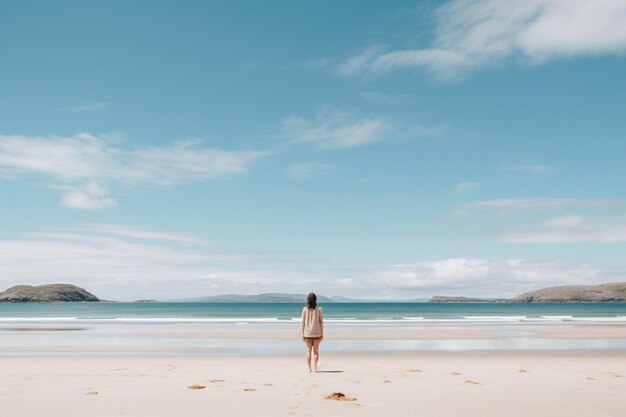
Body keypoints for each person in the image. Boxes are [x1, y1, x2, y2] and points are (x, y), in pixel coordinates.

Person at [301, 292, 324, 373]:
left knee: (308, 351)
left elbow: (302, 322)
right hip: (317, 333)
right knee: (316, 351)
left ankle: (309, 369)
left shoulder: (304, 309)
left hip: (307, 333)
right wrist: (322, 333)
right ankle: (315, 369)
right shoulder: (319, 309)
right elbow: (321, 322)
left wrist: (302, 333)